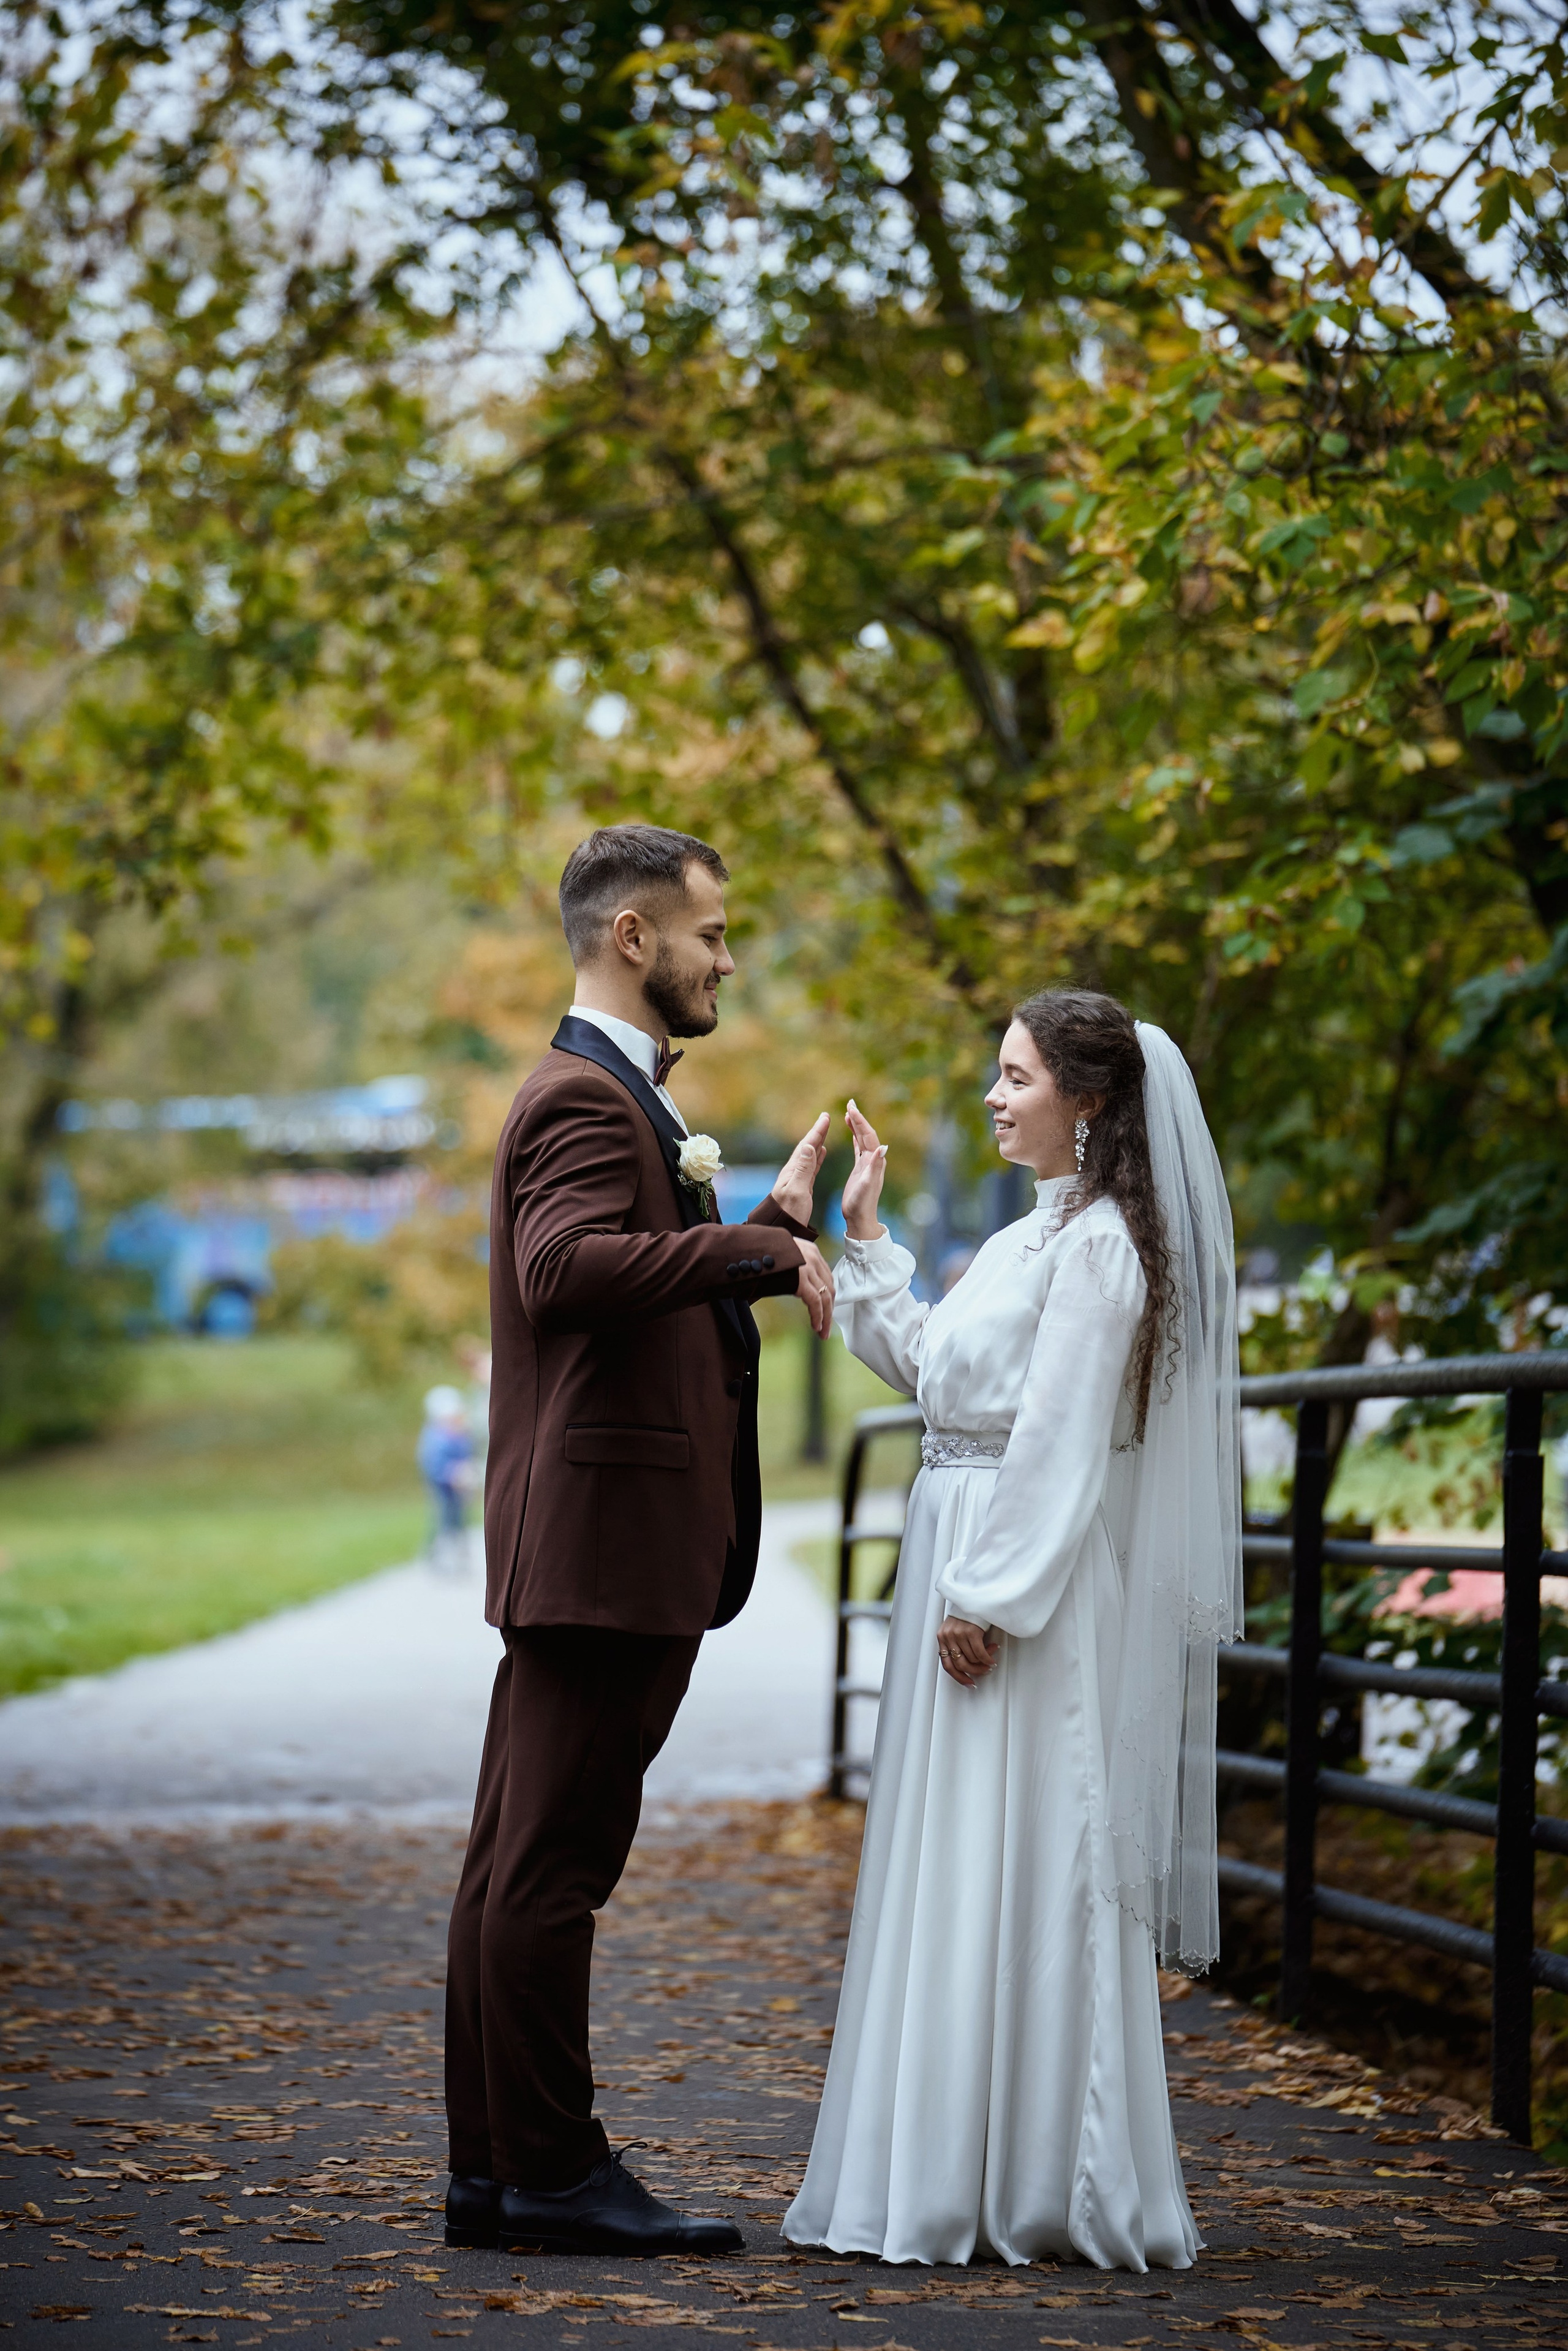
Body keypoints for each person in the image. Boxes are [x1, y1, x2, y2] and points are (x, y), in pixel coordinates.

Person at [783, 991, 1242, 2271]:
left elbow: (1058, 1438)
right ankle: (943, 2156)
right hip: (965, 1537)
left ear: (1085, 1101)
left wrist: (988, 1591)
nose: (992, 1094)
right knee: (956, 1851)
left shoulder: (1100, 1249)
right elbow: (940, 1375)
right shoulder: (1019, 1240)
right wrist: (865, 1242)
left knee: (1027, 1847)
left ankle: (1045, 2172)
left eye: (1015, 1074)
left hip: (1016, 1579)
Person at [445, 822, 837, 2260]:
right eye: (711, 933)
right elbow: (564, 1275)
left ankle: (496, 2174)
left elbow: (627, 1284)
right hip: (604, 1550)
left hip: (596, 1543)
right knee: (547, 1869)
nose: (724, 956)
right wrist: (749, 1250)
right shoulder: (582, 1099)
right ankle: (549, 2175)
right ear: (632, 938)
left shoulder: (614, 1098)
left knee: (512, 1862)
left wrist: (762, 1220)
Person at [418, 1384, 473, 1574]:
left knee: (459, 1521)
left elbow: (466, 1455)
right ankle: (436, 1557)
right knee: (443, 1520)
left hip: (458, 1489)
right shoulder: (435, 1437)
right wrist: (450, 1474)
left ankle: (459, 1558)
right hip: (442, 1488)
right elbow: (433, 1465)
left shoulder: (458, 1434)